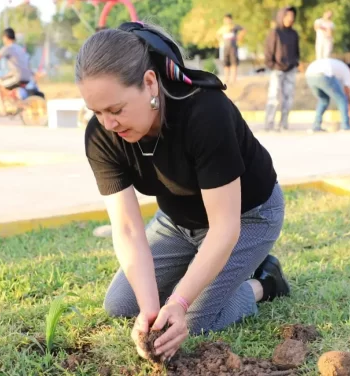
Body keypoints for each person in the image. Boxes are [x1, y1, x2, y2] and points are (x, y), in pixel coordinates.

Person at [76, 21, 290, 362]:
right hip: (177, 221)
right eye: (96, 112)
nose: (109, 124)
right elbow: (128, 229)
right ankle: (201, 273)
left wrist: (178, 302)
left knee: (193, 318)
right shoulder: (101, 136)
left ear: (149, 83)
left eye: (116, 110)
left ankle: (266, 281)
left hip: (248, 216)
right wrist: (149, 314)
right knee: (121, 305)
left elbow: (225, 227)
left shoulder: (205, 112)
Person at [264, 6, 300, 132]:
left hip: (291, 70)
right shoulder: (275, 32)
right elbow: (268, 51)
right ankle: (269, 124)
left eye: (292, 16)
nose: (290, 18)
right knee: (273, 97)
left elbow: (296, 51)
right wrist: (272, 65)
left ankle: (284, 124)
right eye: (288, 16)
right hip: (277, 70)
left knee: (288, 98)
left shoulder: (294, 34)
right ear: (281, 16)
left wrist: (295, 63)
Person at [305, 58, 350, 132]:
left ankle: (316, 126)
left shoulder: (339, 67)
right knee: (342, 99)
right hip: (323, 74)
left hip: (309, 75)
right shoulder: (347, 71)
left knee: (323, 100)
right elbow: (347, 95)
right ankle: (346, 125)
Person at [216, 14, 246, 85]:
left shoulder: (234, 27)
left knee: (234, 62)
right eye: (225, 19)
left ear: (231, 19)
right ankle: (226, 78)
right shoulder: (223, 28)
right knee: (226, 63)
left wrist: (239, 37)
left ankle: (233, 79)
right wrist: (221, 40)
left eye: (228, 19)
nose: (227, 21)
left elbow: (243, 30)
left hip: (233, 47)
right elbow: (217, 34)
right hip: (225, 47)